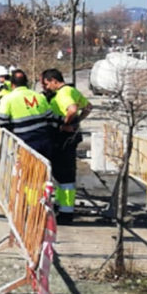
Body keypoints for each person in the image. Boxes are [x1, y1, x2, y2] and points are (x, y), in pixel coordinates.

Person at [41, 68, 92, 224]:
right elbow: (88, 107)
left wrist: (65, 123)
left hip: (63, 139)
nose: (46, 88)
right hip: (71, 138)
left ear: (54, 80)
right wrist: (77, 122)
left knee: (64, 176)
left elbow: (72, 109)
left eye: (47, 84)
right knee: (62, 176)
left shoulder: (63, 94)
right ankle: (61, 206)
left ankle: (65, 212)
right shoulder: (72, 90)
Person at [0, 69, 58, 165]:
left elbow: (2, 123)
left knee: (27, 175)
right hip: (44, 141)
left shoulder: (7, 100)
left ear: (12, 85)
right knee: (44, 173)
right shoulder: (39, 96)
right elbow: (51, 117)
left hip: (24, 145)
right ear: (26, 83)